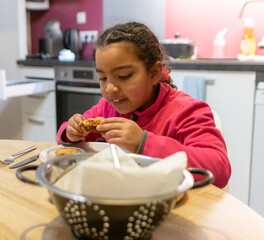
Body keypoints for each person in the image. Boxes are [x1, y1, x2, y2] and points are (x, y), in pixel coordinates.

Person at [56, 22, 231, 188]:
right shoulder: (108, 109)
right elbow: (66, 136)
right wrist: (70, 132)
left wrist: (143, 142)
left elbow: (219, 169)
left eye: (123, 76)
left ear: (154, 73)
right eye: (103, 78)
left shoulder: (186, 111)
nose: (110, 88)